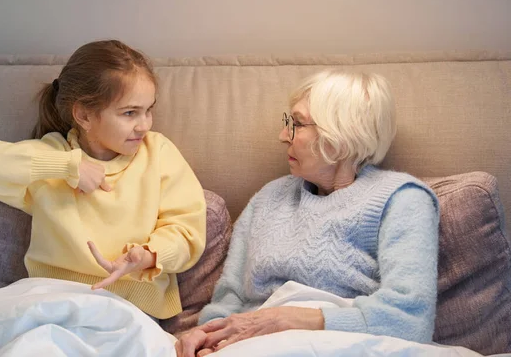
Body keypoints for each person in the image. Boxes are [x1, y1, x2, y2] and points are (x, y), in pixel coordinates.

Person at [175, 70, 440, 356]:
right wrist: (207, 334)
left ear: (340, 135)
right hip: (250, 345)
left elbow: (409, 319)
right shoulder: (268, 198)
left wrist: (286, 320)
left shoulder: (403, 199)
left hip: (344, 344)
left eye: (297, 124)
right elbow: (229, 298)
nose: (282, 136)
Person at [0, 40, 206, 320]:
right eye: (130, 113)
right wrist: (67, 166)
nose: (145, 124)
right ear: (84, 115)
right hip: (53, 303)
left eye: (149, 110)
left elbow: (187, 230)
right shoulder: (52, 157)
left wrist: (148, 256)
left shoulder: (158, 152)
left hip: (134, 311)